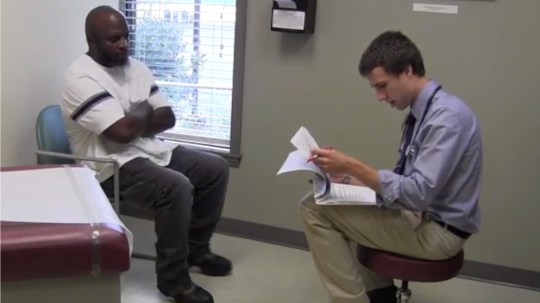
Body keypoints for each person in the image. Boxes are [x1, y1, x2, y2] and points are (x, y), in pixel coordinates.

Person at [61, 6, 231, 303]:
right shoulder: (80, 78)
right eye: (114, 39)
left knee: (214, 168)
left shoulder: (135, 67)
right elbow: (121, 134)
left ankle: (196, 249)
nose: (124, 44)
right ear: (92, 40)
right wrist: (142, 109)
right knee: (175, 186)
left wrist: (131, 118)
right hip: (105, 164)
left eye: (126, 37)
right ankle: (173, 280)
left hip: (147, 149)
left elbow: (167, 118)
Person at [299, 30, 482, 303]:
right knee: (331, 198)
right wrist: (345, 179)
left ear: (407, 70)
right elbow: (403, 181)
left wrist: (352, 165)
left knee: (313, 209)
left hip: (437, 233)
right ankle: (380, 296)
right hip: (423, 216)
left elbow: (416, 193)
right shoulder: (424, 113)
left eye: (382, 86)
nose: (380, 97)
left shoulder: (445, 119)